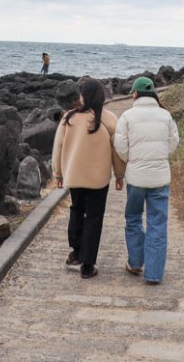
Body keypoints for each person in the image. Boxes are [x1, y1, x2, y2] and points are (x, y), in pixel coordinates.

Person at [51, 77, 126, 279]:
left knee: (76, 209)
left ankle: (76, 252)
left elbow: (58, 148)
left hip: (74, 176)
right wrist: (119, 174)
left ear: (83, 96)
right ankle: (88, 265)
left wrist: (57, 173)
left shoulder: (69, 118)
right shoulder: (108, 119)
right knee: (94, 217)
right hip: (99, 179)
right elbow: (117, 151)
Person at [114, 76, 180, 285]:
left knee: (133, 218)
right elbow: (174, 142)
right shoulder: (166, 115)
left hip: (136, 177)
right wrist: (160, 157)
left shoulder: (127, 116)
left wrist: (131, 160)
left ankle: (135, 263)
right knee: (157, 224)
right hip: (160, 177)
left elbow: (120, 145)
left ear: (134, 93)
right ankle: (153, 274)